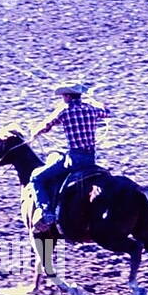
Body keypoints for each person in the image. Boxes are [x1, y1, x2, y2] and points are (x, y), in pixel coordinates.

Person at [27, 81, 111, 235]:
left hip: (74, 160)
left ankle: (47, 214)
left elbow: (46, 125)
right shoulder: (92, 109)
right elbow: (107, 112)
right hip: (91, 159)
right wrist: (97, 102)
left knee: (36, 177)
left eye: (63, 96)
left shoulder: (64, 111)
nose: (62, 98)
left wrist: (34, 132)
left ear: (67, 96)